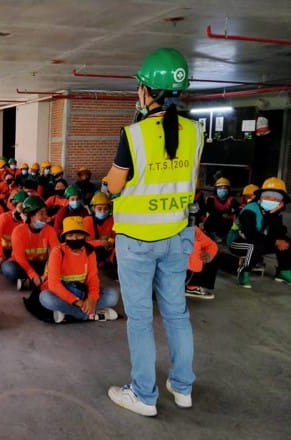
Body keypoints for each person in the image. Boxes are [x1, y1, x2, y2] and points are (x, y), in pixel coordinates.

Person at [105, 48, 204, 416]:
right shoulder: (196, 131)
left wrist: (107, 185)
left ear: (147, 91)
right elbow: (192, 181)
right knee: (177, 314)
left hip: (137, 242)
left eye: (140, 87)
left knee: (141, 320)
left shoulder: (134, 135)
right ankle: (182, 388)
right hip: (177, 236)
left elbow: (114, 186)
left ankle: (144, 395)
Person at [39, 216, 120, 323]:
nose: (75, 238)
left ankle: (70, 313)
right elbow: (54, 285)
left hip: (83, 292)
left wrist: (91, 299)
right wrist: (78, 302)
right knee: (45, 298)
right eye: (70, 235)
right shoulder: (57, 252)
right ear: (65, 237)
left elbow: (93, 279)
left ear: (85, 236)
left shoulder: (89, 251)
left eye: (79, 235)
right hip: (63, 294)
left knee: (113, 296)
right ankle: (91, 315)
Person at [229, 177, 291, 288]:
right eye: (267, 196)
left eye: (276, 198)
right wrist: (275, 241)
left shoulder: (271, 212)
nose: (271, 200)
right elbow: (250, 234)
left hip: (257, 241)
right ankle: (244, 272)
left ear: (281, 202)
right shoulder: (250, 209)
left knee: (286, 241)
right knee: (254, 245)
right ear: (260, 197)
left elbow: (279, 233)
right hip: (237, 242)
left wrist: (273, 215)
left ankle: (283, 271)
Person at [0, 196, 59, 290]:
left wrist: (46, 274)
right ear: (31, 216)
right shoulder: (18, 231)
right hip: (22, 264)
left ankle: (31, 282)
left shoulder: (50, 230)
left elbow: (55, 254)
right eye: (41, 213)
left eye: (46, 213)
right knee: (9, 269)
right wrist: (32, 275)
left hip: (41, 264)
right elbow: (20, 258)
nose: (45, 217)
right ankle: (37, 281)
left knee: (59, 267)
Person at [0, 190, 28, 269]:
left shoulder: (27, 222)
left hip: (17, 251)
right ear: (14, 206)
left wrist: (27, 223)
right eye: (21, 207)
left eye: (25, 209)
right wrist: (0, 256)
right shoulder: (3, 218)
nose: (22, 211)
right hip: (3, 248)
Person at [185, 226, 218, 299]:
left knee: (209, 251)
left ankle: (192, 287)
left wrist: (209, 255)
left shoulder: (193, 229)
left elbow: (211, 245)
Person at [204, 177, 239, 243]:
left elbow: (239, 208)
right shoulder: (211, 198)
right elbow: (210, 210)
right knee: (212, 217)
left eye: (225, 188)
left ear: (228, 190)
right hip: (214, 220)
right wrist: (221, 214)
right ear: (216, 189)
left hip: (226, 220)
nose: (222, 190)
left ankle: (225, 235)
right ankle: (213, 233)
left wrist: (231, 215)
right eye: (220, 188)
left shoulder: (231, 199)